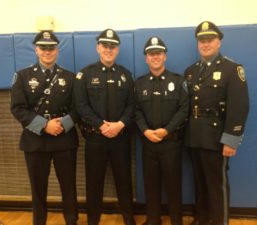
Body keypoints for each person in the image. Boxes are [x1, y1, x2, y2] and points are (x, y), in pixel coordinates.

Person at [184, 21, 249, 225]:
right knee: (200, 183)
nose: (205, 44)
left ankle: (220, 221)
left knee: (217, 184)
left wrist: (231, 139)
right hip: (194, 135)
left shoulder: (232, 69)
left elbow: (240, 106)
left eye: (209, 40)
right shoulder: (191, 71)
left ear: (219, 42)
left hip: (216, 138)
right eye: (201, 41)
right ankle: (202, 219)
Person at [11, 31, 79, 225]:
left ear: (57, 50)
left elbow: (78, 109)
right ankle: (39, 221)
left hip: (64, 138)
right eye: (43, 48)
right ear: (36, 50)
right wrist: (44, 125)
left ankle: (71, 220)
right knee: (38, 188)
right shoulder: (23, 76)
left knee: (68, 186)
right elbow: (17, 108)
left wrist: (62, 125)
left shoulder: (70, 77)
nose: (47, 52)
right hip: (35, 140)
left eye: (51, 48)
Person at [73, 29, 136, 225]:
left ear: (117, 49)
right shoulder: (85, 74)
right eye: (105, 46)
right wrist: (101, 126)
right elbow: (81, 106)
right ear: (98, 47)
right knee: (94, 182)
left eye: (113, 46)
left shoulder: (126, 75)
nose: (109, 49)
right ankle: (93, 220)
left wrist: (120, 124)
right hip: (95, 139)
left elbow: (132, 105)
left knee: (124, 181)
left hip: (120, 138)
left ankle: (128, 218)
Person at [135, 36, 189, 225]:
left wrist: (166, 130)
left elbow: (184, 109)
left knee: (173, 186)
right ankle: (153, 219)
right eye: (151, 54)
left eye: (158, 53)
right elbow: (136, 111)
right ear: (146, 58)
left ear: (165, 56)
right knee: (151, 186)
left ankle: (176, 221)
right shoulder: (139, 83)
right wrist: (145, 131)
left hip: (171, 144)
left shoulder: (178, 80)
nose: (155, 57)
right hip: (149, 144)